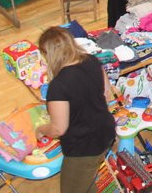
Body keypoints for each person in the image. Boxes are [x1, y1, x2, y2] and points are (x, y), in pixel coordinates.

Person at [34, 26, 115, 193]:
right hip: (105, 132)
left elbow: (58, 128)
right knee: (85, 179)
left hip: (84, 147)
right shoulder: (92, 60)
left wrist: (41, 129)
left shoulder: (59, 86)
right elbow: (107, 94)